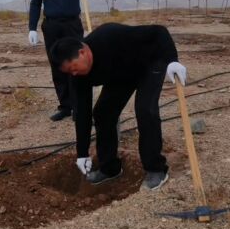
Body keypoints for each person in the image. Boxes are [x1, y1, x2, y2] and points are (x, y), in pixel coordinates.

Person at [49, 23, 187, 191]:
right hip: (121, 75)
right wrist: (82, 153)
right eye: (69, 72)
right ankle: (110, 168)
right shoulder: (77, 76)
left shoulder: (110, 36)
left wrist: (172, 60)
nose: (74, 74)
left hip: (149, 62)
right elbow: (82, 113)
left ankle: (156, 169)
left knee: (145, 109)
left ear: (82, 53)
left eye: (73, 68)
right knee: (102, 113)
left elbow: (159, 31)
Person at [28, 0, 98, 121]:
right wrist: (32, 28)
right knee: (58, 66)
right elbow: (35, 4)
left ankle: (79, 106)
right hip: (51, 27)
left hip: (71, 25)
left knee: (76, 65)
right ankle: (66, 106)